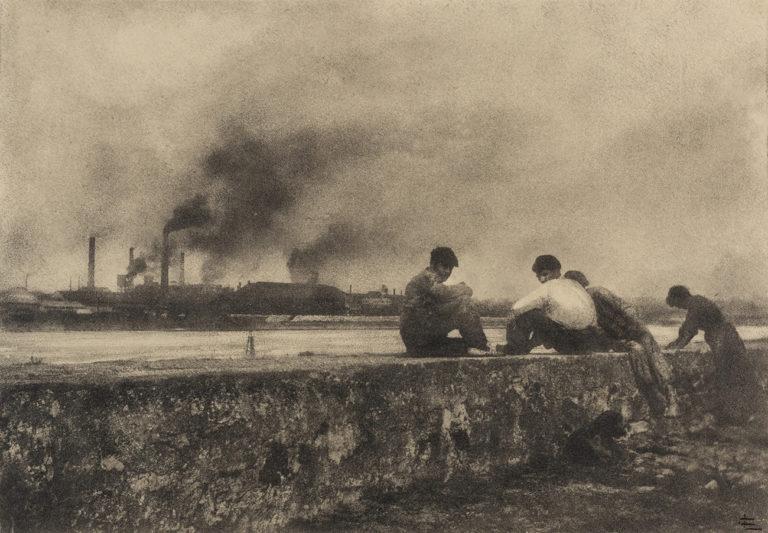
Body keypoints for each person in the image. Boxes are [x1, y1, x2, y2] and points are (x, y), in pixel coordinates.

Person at [564, 270, 677, 417]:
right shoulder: (580, 306)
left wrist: (636, 329)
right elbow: (596, 329)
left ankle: (673, 401)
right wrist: (613, 342)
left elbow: (625, 308)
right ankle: (657, 399)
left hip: (635, 330)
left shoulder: (597, 293)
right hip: (620, 338)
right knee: (637, 354)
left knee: (656, 361)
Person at [665, 285, 760, 425]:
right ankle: (742, 414)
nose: (679, 308)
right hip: (725, 338)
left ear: (680, 298)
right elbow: (686, 329)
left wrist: (676, 348)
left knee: (730, 375)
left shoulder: (695, 305)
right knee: (734, 374)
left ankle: (740, 415)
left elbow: (690, 331)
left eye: (677, 304)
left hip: (724, 339)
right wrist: (674, 344)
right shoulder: (696, 302)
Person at [497, 255, 601, 355]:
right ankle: (525, 346)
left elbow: (516, 308)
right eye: (538, 277)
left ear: (557, 272)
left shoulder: (550, 286)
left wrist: (511, 318)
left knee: (530, 313)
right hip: (589, 343)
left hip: (569, 344)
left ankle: (514, 347)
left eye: (545, 274)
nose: (542, 280)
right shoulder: (576, 286)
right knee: (548, 318)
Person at [399, 247, 491, 356]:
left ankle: (480, 347)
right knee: (465, 303)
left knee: (465, 346)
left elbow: (441, 305)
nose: (448, 271)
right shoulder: (424, 278)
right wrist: (463, 288)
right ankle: (482, 347)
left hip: (422, 341)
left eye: (450, 268)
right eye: (444, 266)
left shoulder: (429, 280)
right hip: (419, 340)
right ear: (433, 265)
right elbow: (443, 293)